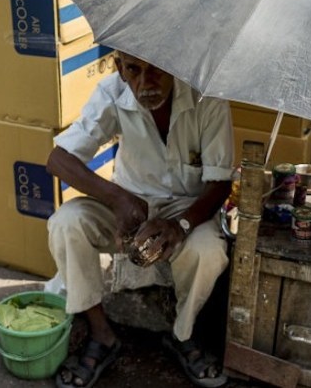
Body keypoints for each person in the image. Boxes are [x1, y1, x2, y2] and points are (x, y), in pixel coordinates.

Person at [47, 52, 233, 388]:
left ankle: (182, 333)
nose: (145, 84)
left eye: (158, 71)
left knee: (208, 251)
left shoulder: (209, 100)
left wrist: (181, 226)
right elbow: (59, 160)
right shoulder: (112, 92)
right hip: (129, 204)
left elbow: (220, 184)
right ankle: (101, 333)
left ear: (176, 67)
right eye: (134, 70)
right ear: (120, 68)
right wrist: (117, 199)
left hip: (187, 209)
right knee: (66, 222)